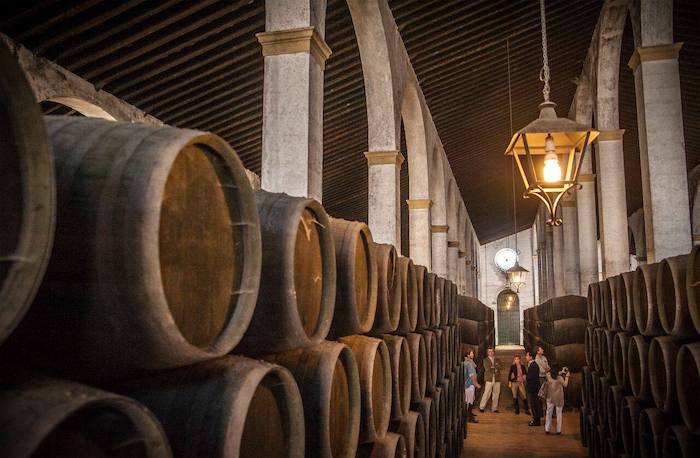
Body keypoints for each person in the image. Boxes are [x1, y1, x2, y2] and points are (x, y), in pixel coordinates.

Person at [544, 364, 570, 434]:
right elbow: (565, 385)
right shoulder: (560, 378)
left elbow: (548, 371)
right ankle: (558, 430)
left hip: (550, 397)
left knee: (549, 413)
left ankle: (547, 429)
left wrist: (561, 372)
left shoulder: (548, 376)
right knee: (559, 414)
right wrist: (567, 376)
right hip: (559, 397)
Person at [479, 347, 501, 413]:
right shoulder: (485, 360)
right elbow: (487, 369)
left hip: (497, 378)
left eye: (492, 351)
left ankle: (494, 408)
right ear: (487, 353)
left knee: (496, 393)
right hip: (489, 378)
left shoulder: (497, 359)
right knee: (487, 393)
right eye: (489, 351)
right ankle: (482, 407)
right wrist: (495, 368)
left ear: (494, 352)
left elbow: (500, 367)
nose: (491, 352)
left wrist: (493, 368)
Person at [463, 349, 481, 424]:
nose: (473, 354)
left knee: (469, 401)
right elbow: (472, 375)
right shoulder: (469, 364)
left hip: (467, 384)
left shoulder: (467, 362)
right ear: (467, 355)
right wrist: (476, 384)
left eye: (473, 353)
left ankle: (469, 415)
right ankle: (470, 418)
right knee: (469, 402)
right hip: (469, 385)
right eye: (471, 353)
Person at [525, 351, 542, 426]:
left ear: (531, 357)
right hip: (534, 388)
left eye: (527, 356)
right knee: (534, 405)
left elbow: (530, 377)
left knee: (534, 405)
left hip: (533, 389)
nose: (526, 357)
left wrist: (525, 377)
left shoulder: (533, 366)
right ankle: (535, 419)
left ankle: (536, 421)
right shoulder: (533, 365)